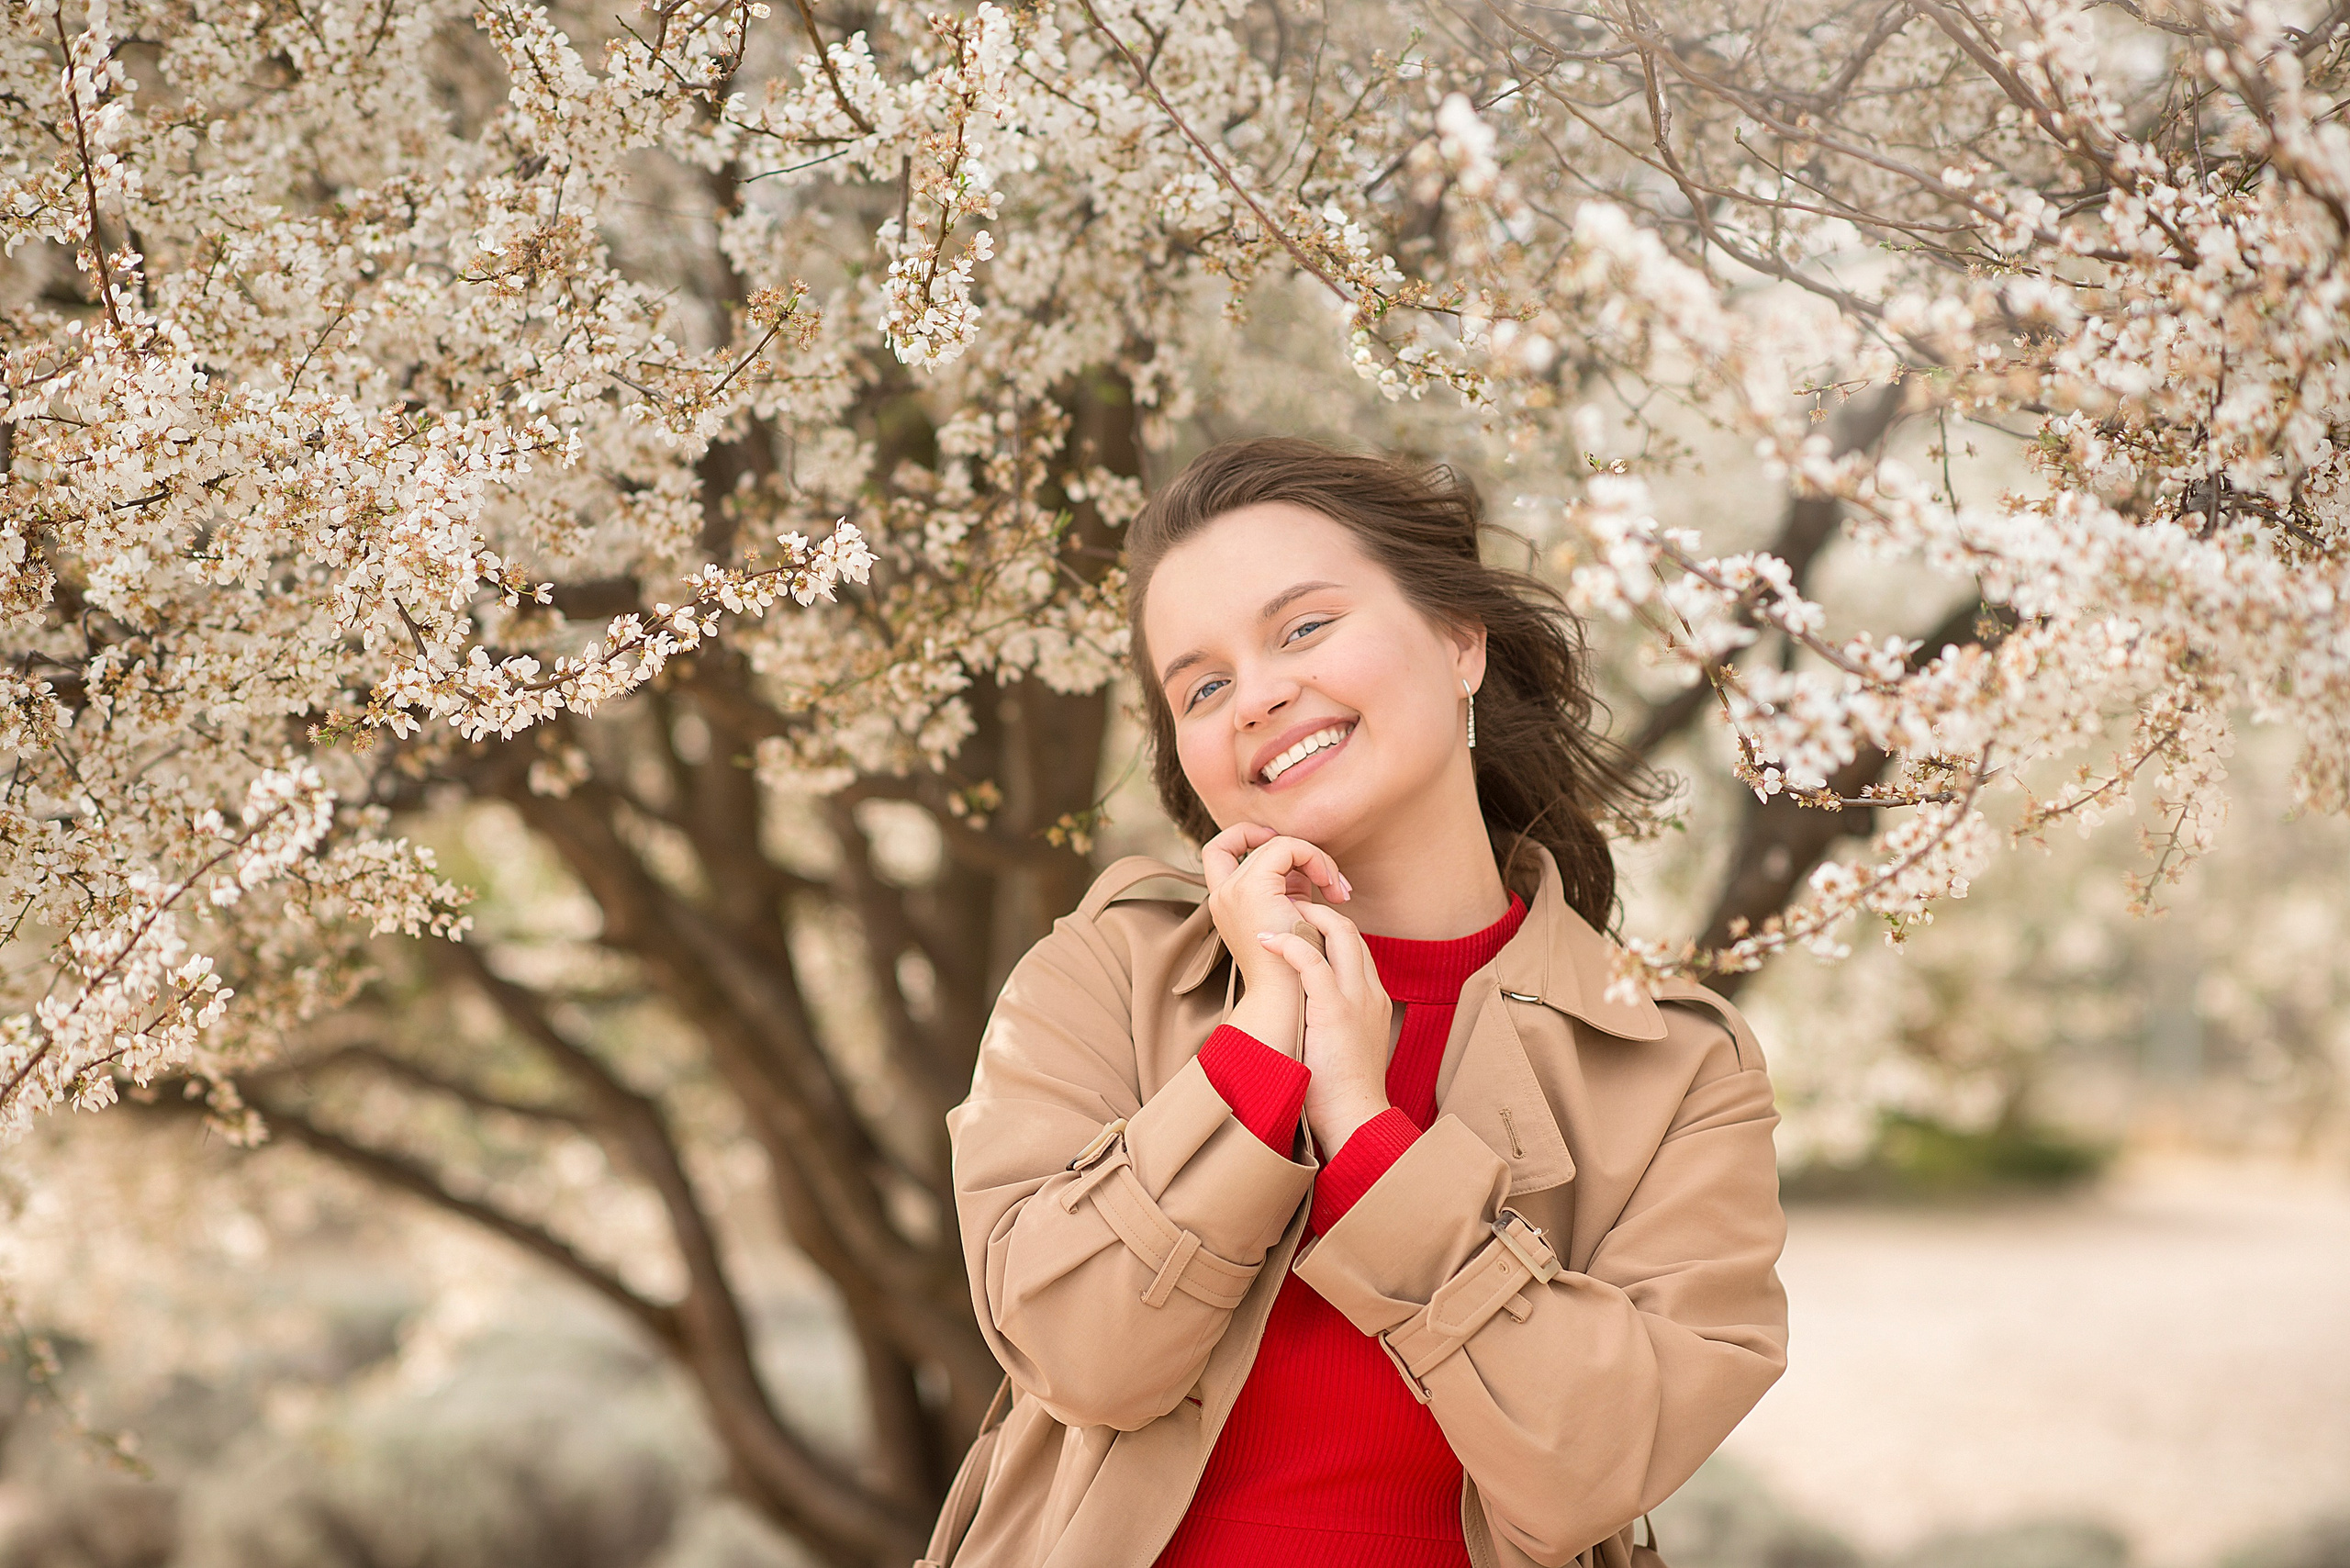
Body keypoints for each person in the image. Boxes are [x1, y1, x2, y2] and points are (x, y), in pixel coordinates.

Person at [920, 439, 1788, 1568]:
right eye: (1204, 685)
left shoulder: (1674, 1066)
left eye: (1304, 627)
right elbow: (1084, 1357)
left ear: (1457, 640)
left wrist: (1372, 1140)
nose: (1261, 695)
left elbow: (1597, 1466)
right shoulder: (1099, 972)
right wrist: (1257, 1047)